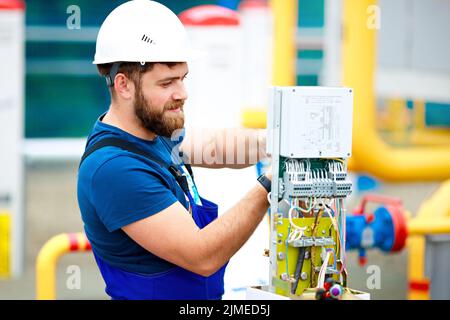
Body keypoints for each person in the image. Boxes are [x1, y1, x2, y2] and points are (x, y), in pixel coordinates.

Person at [77, 0, 272, 300]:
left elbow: (215, 148)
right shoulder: (114, 169)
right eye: (167, 83)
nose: (182, 94)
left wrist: (273, 144)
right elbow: (203, 255)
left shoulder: (152, 132)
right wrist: (270, 185)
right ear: (124, 85)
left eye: (183, 78)